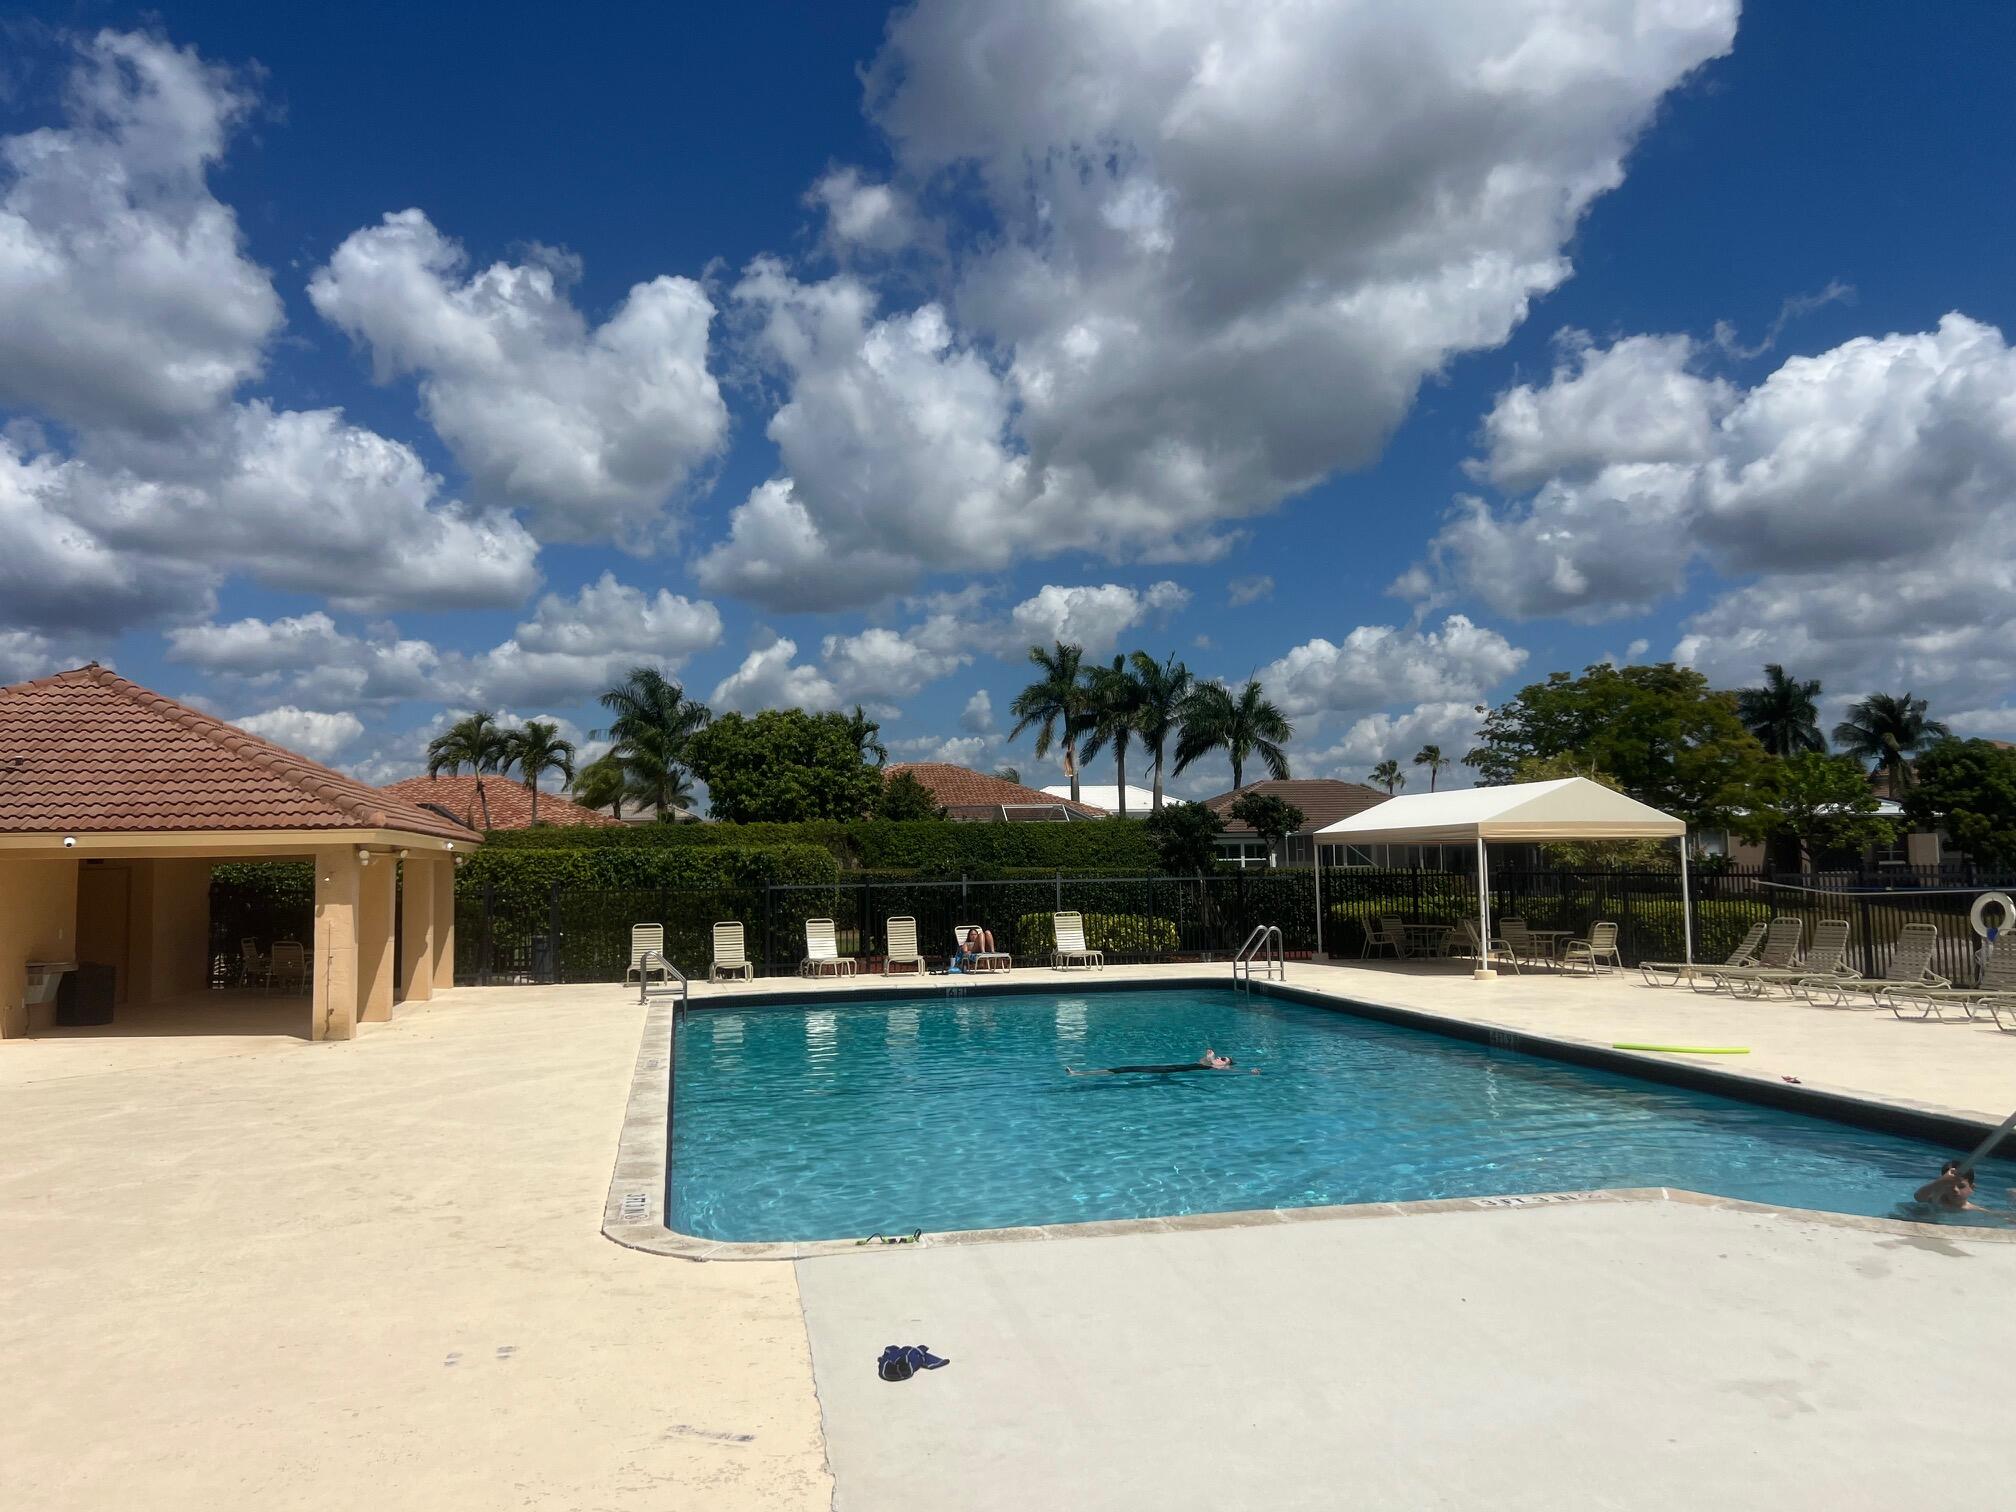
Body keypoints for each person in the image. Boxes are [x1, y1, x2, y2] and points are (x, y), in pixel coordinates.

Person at [1068, 1048, 1255, 1076]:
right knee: (1127, 1068)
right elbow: (1204, 1060)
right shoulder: (1211, 1063)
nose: (1221, 1058)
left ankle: (1079, 1074)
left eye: (1224, 1059)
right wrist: (1210, 1057)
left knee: (1128, 1069)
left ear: (1225, 1065)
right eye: (1222, 1057)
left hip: (1171, 1070)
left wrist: (1250, 1072)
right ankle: (1079, 1073)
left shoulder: (1215, 1067)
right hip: (1170, 1068)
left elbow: (1234, 1071)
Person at [1913, 1161, 1979, 1211]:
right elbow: (1918, 1197)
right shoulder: (1937, 1200)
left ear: (1972, 1188)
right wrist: (1940, 1181)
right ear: (1943, 1185)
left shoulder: (1974, 1210)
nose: (1955, 1189)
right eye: (1949, 1185)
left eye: (1961, 1186)